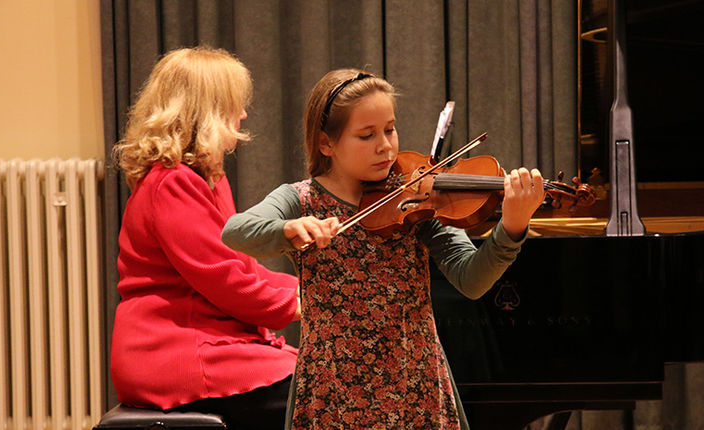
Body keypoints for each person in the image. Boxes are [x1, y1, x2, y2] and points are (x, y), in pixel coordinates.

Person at [221, 68, 546, 429]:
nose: (385, 146)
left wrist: (512, 226)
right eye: (366, 135)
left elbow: (471, 279)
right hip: (333, 389)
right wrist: (289, 228)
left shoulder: (418, 196)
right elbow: (236, 232)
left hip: (414, 383)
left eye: (389, 129)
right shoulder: (300, 200)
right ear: (326, 144)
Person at [110, 46, 300, 430]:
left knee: (330, 376)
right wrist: (308, 301)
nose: (243, 114)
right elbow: (225, 281)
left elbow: (243, 267)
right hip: (177, 354)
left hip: (206, 344)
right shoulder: (172, 183)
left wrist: (311, 288)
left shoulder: (207, 178)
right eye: (234, 104)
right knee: (330, 387)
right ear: (208, 111)